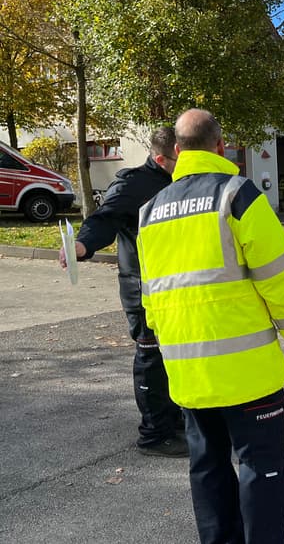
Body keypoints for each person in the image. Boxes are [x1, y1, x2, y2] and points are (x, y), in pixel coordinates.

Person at [136, 109, 284, 544]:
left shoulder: (149, 213)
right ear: (221, 145)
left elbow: (151, 296)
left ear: (176, 151)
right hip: (248, 374)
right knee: (261, 470)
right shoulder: (238, 194)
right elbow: (276, 272)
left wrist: (166, 342)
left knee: (207, 467)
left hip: (189, 372)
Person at [59, 126, 186, 457]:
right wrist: (83, 244)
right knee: (151, 360)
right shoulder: (134, 183)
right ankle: (154, 435)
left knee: (172, 359)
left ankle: (174, 422)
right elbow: (105, 217)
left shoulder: (180, 181)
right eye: (180, 157)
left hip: (176, 288)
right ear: (162, 158)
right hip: (141, 288)